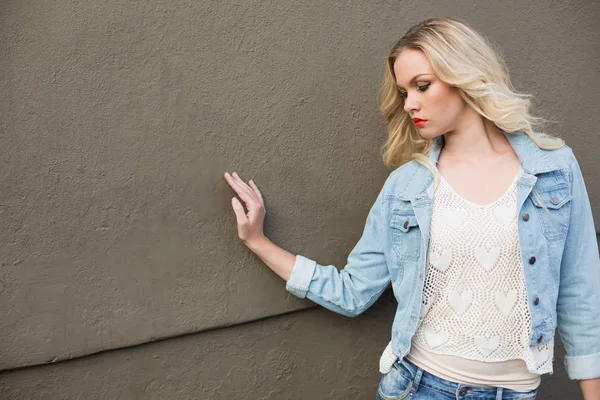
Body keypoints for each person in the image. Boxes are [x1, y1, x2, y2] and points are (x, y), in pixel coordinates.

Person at [223, 17, 600, 400]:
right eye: (404, 92)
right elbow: (353, 291)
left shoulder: (553, 169)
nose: (410, 104)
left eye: (422, 86)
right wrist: (258, 242)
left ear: (464, 76)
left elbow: (580, 289)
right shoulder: (407, 187)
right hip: (418, 387)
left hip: (515, 392)